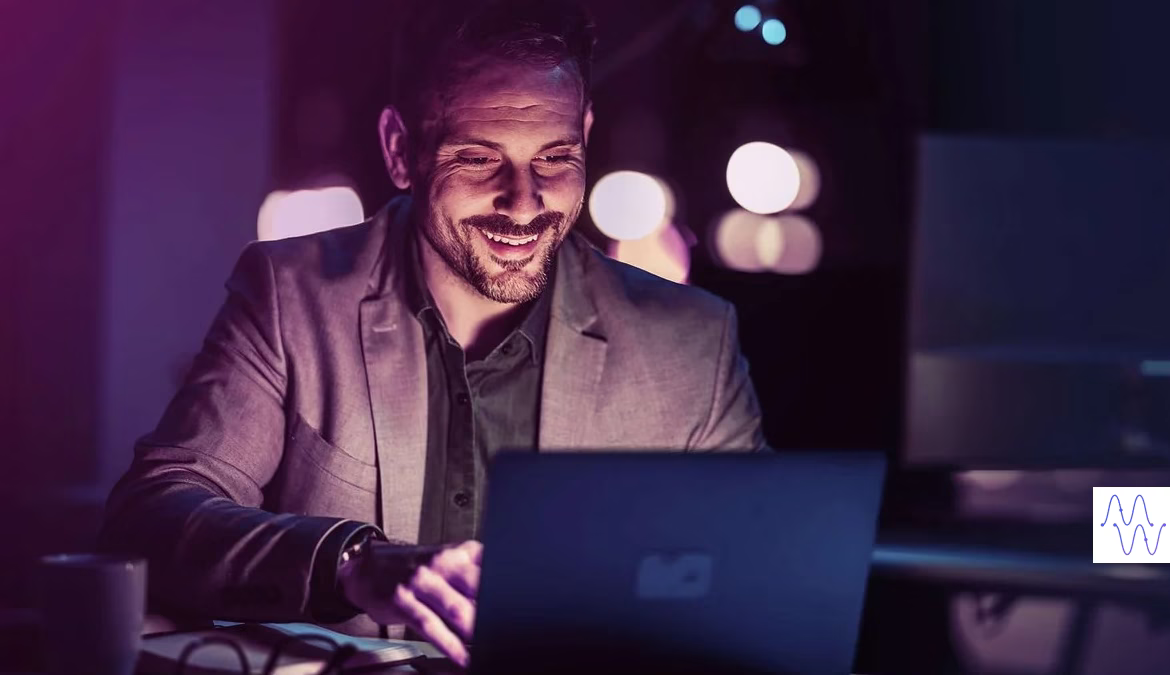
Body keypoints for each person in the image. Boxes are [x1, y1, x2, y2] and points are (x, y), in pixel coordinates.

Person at [99, 0, 767, 665]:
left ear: (586, 134)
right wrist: (351, 562)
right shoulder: (291, 296)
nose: (526, 202)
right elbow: (149, 518)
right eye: (479, 159)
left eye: (556, 157)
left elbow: (758, 587)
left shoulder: (693, 344)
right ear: (400, 150)